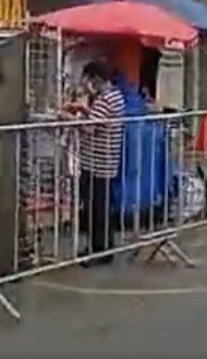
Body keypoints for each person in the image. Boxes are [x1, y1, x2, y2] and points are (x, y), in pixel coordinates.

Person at [70, 60, 125, 265]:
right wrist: (84, 111)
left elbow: (90, 128)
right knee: (101, 208)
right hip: (106, 162)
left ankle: (98, 251)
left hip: (97, 164)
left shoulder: (105, 100)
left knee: (96, 209)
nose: (85, 84)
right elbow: (98, 121)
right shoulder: (115, 97)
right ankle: (103, 249)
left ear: (97, 79)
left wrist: (66, 118)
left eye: (87, 79)